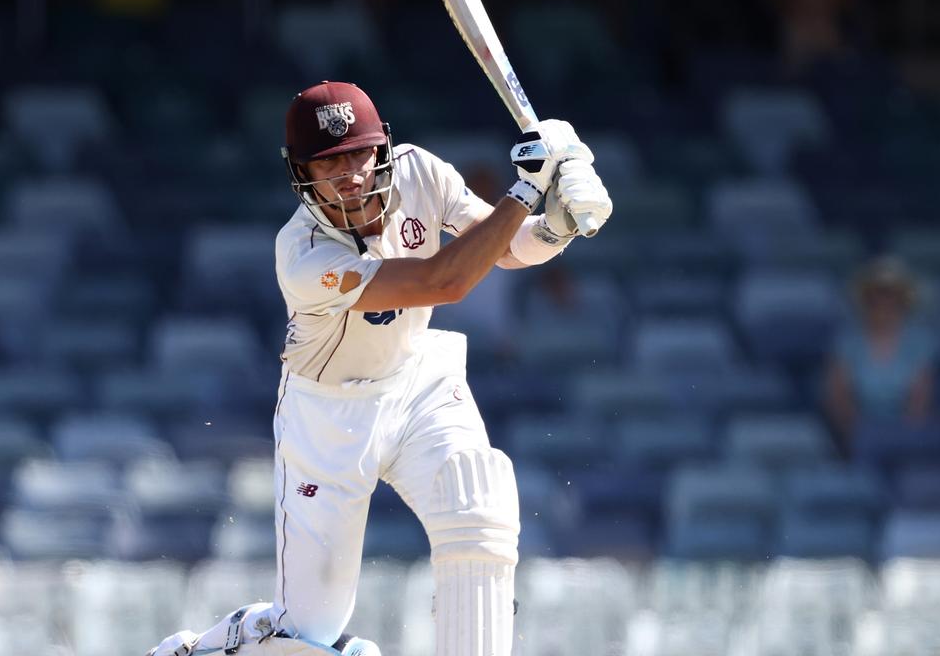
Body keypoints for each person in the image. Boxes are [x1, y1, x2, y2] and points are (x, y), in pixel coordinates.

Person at [147, 81, 612, 656]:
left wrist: (555, 226)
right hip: (328, 418)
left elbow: (503, 247)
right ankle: (217, 647)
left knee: (480, 508)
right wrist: (525, 189)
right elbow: (442, 281)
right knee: (308, 634)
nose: (350, 173)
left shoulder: (422, 174)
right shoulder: (302, 253)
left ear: (383, 146)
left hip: (418, 382)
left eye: (359, 153)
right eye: (329, 161)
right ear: (300, 172)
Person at [824, 257, 935, 446]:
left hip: (905, 433)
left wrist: (905, 438)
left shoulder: (918, 343)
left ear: (903, 302)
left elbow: (919, 400)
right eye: (878, 297)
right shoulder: (848, 342)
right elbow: (838, 397)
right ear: (867, 301)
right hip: (857, 433)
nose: (884, 305)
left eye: (891, 297)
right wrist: (857, 435)